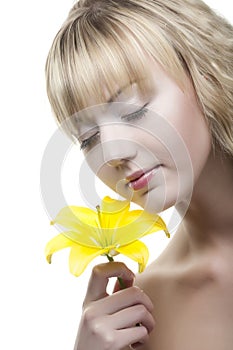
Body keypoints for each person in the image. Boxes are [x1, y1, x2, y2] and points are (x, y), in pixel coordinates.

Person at [45, 0, 233, 349]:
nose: (112, 153)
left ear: (204, 72)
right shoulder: (144, 312)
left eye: (131, 111)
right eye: (88, 139)